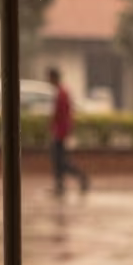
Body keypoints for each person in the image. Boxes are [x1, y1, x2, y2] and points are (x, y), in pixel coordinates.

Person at [48, 67, 89, 196]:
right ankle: (60, 185)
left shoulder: (62, 93)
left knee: (60, 161)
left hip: (60, 132)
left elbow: (63, 115)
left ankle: (80, 177)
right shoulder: (61, 92)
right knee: (58, 160)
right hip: (60, 131)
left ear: (54, 78)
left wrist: (60, 131)